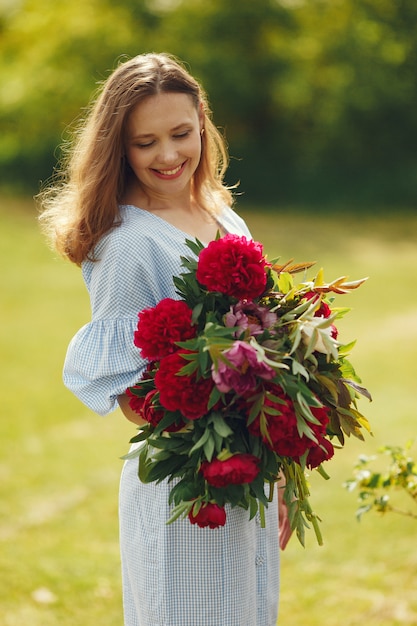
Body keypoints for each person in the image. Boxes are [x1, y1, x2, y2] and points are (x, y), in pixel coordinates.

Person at [39, 52, 292, 626]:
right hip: (188, 477)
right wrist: (215, 409)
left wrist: (275, 458)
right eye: (145, 142)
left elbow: (266, 344)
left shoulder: (224, 216)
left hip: (246, 470)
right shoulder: (126, 244)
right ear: (119, 147)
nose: (168, 155)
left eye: (180, 133)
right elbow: (135, 399)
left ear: (202, 119)